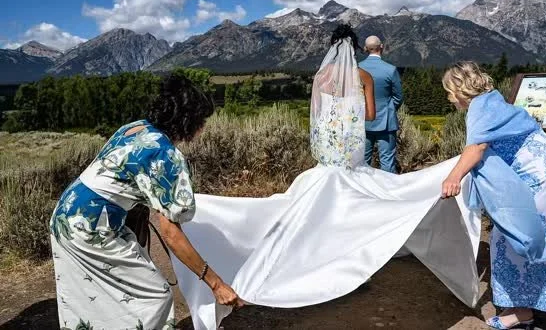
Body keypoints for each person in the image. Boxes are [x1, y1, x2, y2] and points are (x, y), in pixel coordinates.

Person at [174, 25, 481, 330]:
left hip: (329, 154)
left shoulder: (321, 76)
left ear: (332, 47)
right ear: (355, 48)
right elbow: (370, 115)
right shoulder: (363, 76)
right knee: (372, 199)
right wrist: (352, 110)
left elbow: (318, 113)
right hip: (350, 155)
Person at [49, 74, 242, 330]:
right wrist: (216, 284)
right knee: (155, 297)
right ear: (188, 120)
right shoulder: (166, 156)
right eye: (202, 120)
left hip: (67, 213)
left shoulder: (136, 128)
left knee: (95, 295)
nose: (204, 127)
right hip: (92, 226)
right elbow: (171, 234)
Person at [441, 62, 546, 330]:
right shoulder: (493, 99)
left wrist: (453, 177)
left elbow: (476, 148)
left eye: (449, 92)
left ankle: (523, 311)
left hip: (543, 176)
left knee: (515, 236)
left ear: (459, 89)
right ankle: (544, 299)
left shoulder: (478, 107)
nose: (449, 98)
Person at [358, 35, 403, 173]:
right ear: (381, 47)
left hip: (362, 121)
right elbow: (398, 97)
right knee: (387, 163)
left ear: (366, 48)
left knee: (361, 163)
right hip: (386, 122)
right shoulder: (390, 69)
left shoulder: (357, 68)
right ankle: (388, 187)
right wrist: (390, 108)